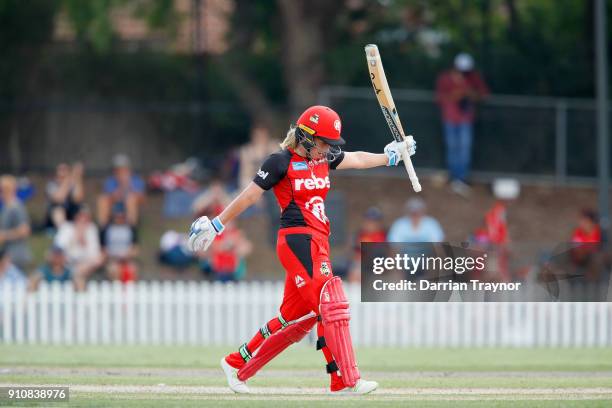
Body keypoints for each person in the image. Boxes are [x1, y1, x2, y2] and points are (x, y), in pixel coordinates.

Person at [188, 105, 416, 395]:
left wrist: (392, 155)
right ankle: (347, 379)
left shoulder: (324, 157)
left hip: (318, 242)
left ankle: (236, 364)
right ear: (306, 137)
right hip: (297, 241)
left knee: (296, 319)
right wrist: (218, 224)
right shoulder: (279, 162)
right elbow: (249, 195)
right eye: (323, 143)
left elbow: (357, 159)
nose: (327, 149)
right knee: (331, 303)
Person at [435, 53, 489, 196]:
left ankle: (461, 178)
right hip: (450, 119)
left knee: (464, 149)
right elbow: (440, 98)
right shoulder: (445, 78)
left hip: (466, 119)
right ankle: (454, 177)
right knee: (452, 148)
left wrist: (470, 93)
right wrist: (456, 94)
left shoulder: (473, 78)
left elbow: (483, 94)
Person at [54, 206, 103, 291]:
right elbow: (58, 250)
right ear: (76, 217)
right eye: (81, 217)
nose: (83, 220)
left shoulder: (91, 229)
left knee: (80, 272)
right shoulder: (67, 228)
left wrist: (84, 242)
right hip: (67, 265)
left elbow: (96, 256)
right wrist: (75, 240)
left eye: (86, 218)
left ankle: (80, 288)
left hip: (85, 267)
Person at [97, 154, 145, 226]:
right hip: (115, 205)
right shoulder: (110, 180)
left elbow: (142, 199)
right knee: (102, 200)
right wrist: (122, 185)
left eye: (123, 169)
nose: (120, 172)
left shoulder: (136, 179)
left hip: (131, 206)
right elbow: (111, 197)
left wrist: (129, 184)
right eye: (117, 169)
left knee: (130, 199)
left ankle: (131, 229)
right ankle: (103, 230)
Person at [0, 175, 32, 271]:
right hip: (7, 253)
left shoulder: (16, 207)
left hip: (16, 255)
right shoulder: (6, 207)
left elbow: (25, 230)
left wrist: (4, 235)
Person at [347, 207, 387, 283]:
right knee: (355, 270)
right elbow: (354, 252)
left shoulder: (384, 235)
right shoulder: (359, 234)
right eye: (368, 220)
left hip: (378, 263)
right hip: (361, 262)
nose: (370, 224)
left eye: (374, 221)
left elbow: (385, 253)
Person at [100, 209, 139, 283]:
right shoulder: (107, 229)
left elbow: (135, 249)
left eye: (121, 217)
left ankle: (130, 291)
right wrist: (114, 256)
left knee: (132, 268)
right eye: (117, 217)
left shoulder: (130, 229)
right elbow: (103, 249)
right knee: (114, 269)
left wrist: (127, 255)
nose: (119, 219)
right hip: (112, 259)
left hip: (127, 259)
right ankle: (117, 291)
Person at [45, 162, 85, 230]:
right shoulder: (51, 184)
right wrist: (67, 180)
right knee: (58, 210)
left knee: (83, 209)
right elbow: (59, 198)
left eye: (65, 170)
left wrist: (78, 178)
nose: (63, 172)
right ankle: (63, 231)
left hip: (70, 212)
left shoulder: (72, 184)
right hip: (54, 215)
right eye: (61, 169)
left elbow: (78, 198)